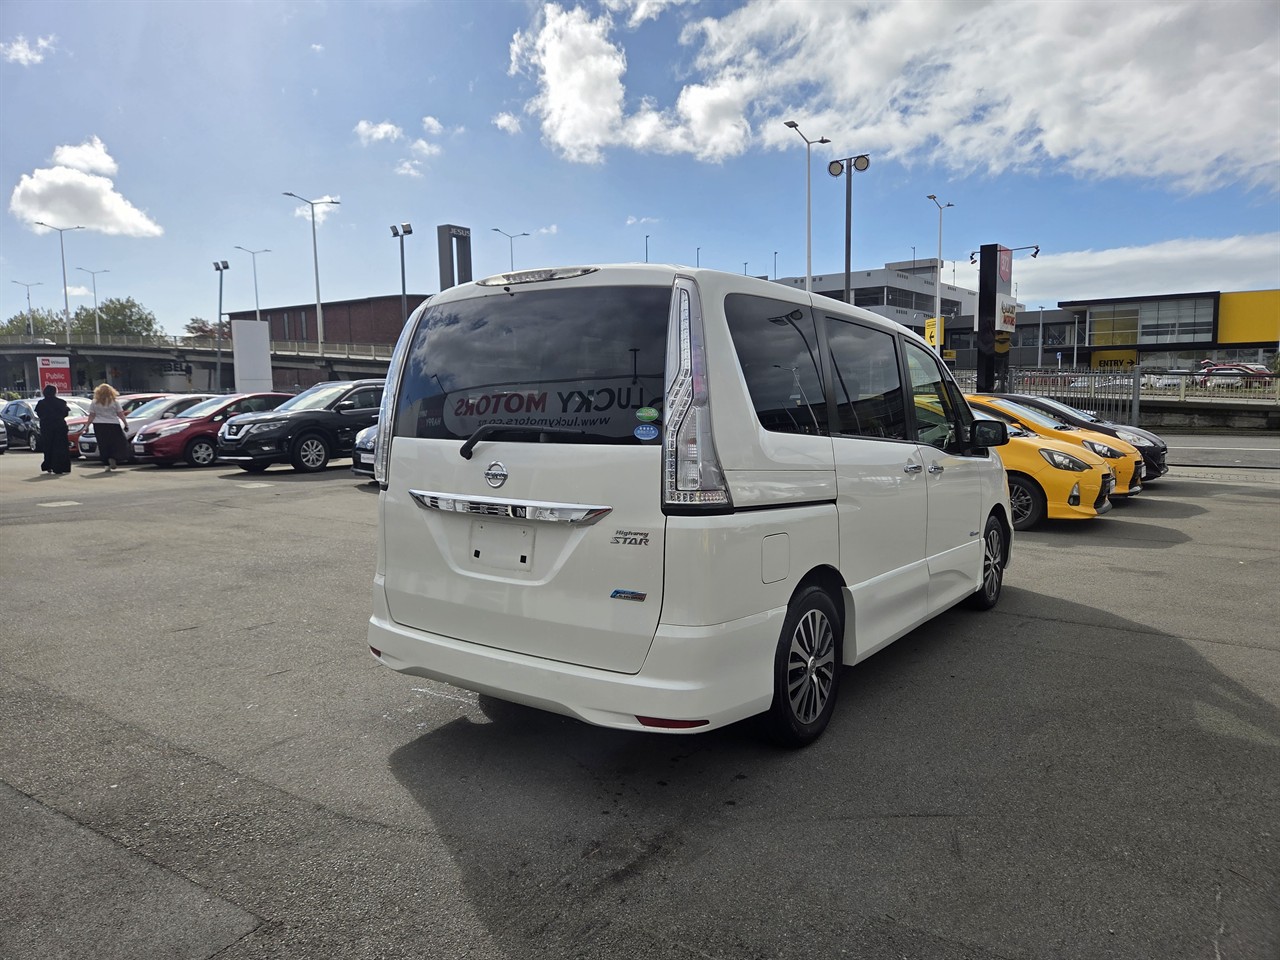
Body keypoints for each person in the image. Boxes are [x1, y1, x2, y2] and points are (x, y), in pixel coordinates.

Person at [83, 382, 130, 472]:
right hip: (113, 424)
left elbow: (91, 415)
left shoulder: (94, 402)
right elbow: (120, 414)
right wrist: (125, 424)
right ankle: (114, 457)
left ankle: (106, 464)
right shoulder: (115, 401)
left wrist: (87, 426)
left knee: (103, 444)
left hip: (99, 425)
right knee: (116, 443)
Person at [34, 383, 72, 475]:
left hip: (46, 427)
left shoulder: (41, 403)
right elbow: (66, 413)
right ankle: (62, 466)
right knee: (60, 446)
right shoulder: (61, 402)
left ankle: (49, 465)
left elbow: (39, 414)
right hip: (60, 426)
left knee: (48, 446)